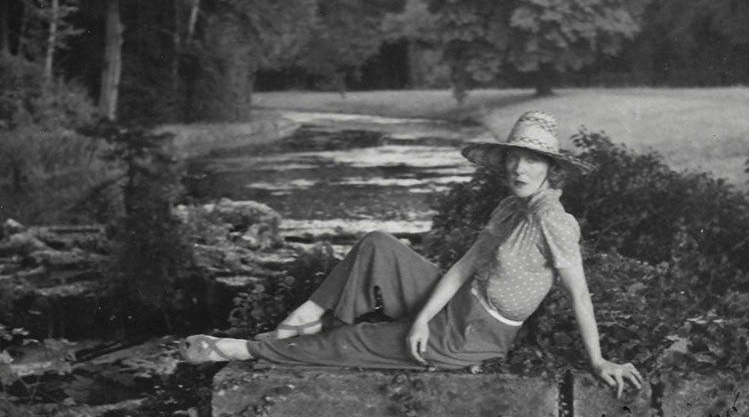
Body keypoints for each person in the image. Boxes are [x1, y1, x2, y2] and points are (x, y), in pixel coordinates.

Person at [180, 110, 642, 396]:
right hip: (454, 308)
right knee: (379, 245)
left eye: (533, 159)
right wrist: (421, 318)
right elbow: (462, 268)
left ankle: (245, 350)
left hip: (474, 335)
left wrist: (598, 360)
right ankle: (309, 316)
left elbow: (580, 296)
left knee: (356, 340)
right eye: (514, 157)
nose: (520, 168)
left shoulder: (554, 221)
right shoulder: (509, 207)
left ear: (552, 169)